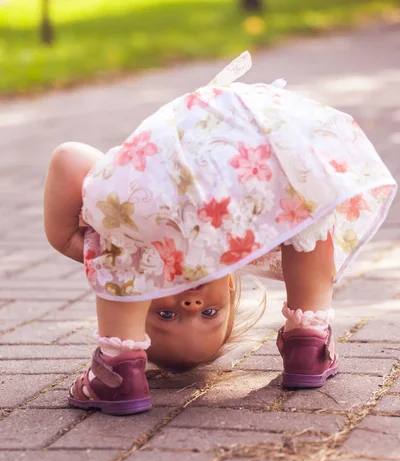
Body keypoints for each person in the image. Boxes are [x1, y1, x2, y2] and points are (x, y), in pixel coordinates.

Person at [44, 52, 397, 415]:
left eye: (167, 316)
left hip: (221, 136)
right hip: (258, 137)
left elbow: (68, 156)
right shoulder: (241, 229)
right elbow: (69, 157)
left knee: (126, 233)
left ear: (140, 305)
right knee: (305, 201)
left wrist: (70, 238)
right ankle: (309, 336)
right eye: (211, 312)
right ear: (229, 287)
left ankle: (119, 365)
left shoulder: (142, 220)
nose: (192, 306)